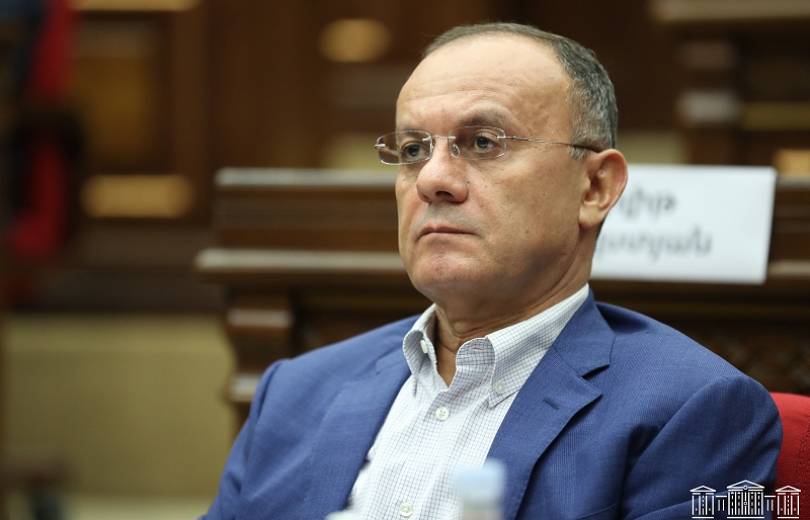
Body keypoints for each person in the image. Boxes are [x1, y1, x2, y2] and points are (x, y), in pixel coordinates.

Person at [204, 23, 781, 520]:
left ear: (595, 187)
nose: (432, 179)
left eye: (482, 142)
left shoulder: (694, 410)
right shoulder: (294, 393)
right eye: (412, 150)